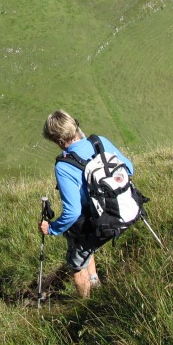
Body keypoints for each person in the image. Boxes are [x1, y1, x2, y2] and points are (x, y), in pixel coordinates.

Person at [39, 110, 134, 298]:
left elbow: (73, 212)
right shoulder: (99, 142)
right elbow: (129, 169)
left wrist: (52, 228)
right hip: (123, 211)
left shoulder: (64, 166)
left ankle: (87, 305)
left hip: (96, 222)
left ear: (59, 140)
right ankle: (95, 282)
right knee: (86, 247)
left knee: (76, 265)